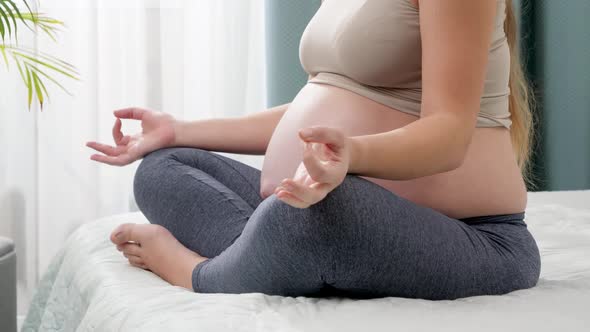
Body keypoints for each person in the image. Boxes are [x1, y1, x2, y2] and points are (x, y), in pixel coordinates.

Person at [86, 0, 541, 300]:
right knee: (164, 168)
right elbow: (319, 108)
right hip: (325, 203)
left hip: (470, 237)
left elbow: (449, 133)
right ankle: (284, 256)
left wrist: (353, 156)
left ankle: (196, 273)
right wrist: (180, 129)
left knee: (314, 213)